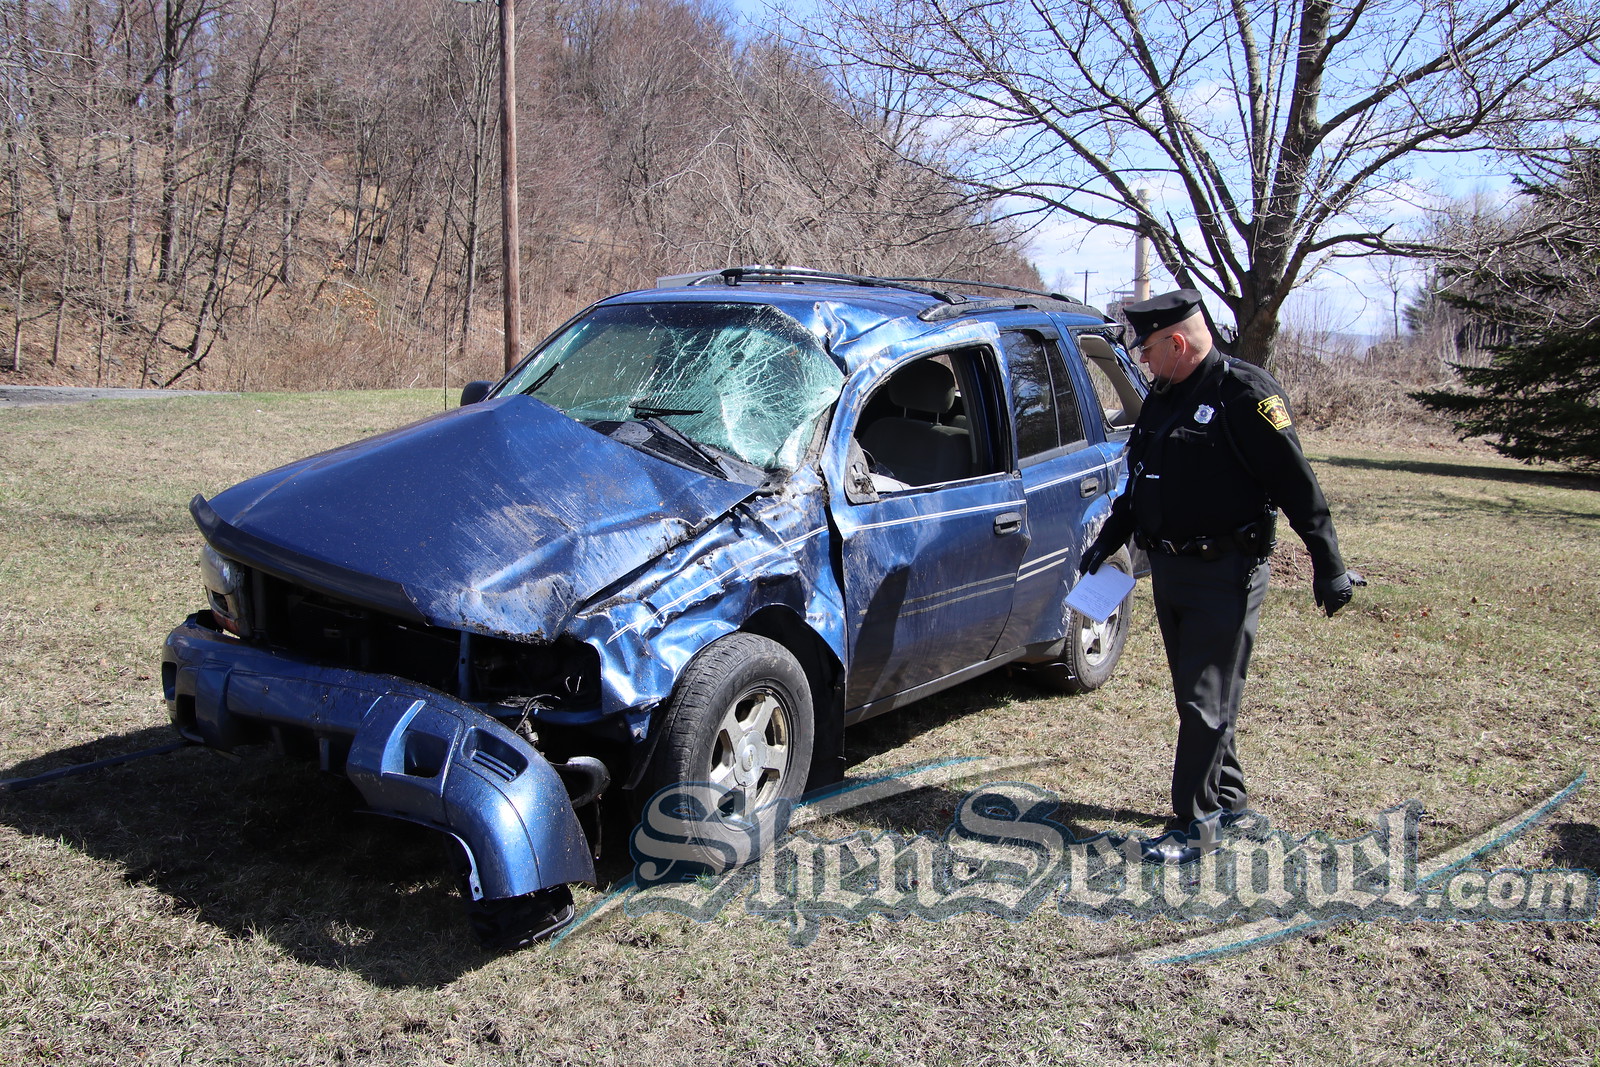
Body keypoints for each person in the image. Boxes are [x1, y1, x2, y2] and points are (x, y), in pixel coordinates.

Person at [1079, 289, 1361, 864]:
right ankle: (1230, 803)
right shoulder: (1163, 396)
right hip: (1172, 570)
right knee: (1198, 696)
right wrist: (1110, 539)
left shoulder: (1246, 396)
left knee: (1208, 698)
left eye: (1148, 349)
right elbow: (1142, 481)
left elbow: (1298, 488)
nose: (1143, 361)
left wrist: (1327, 565)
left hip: (1225, 571)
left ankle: (1196, 823)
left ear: (1177, 342)